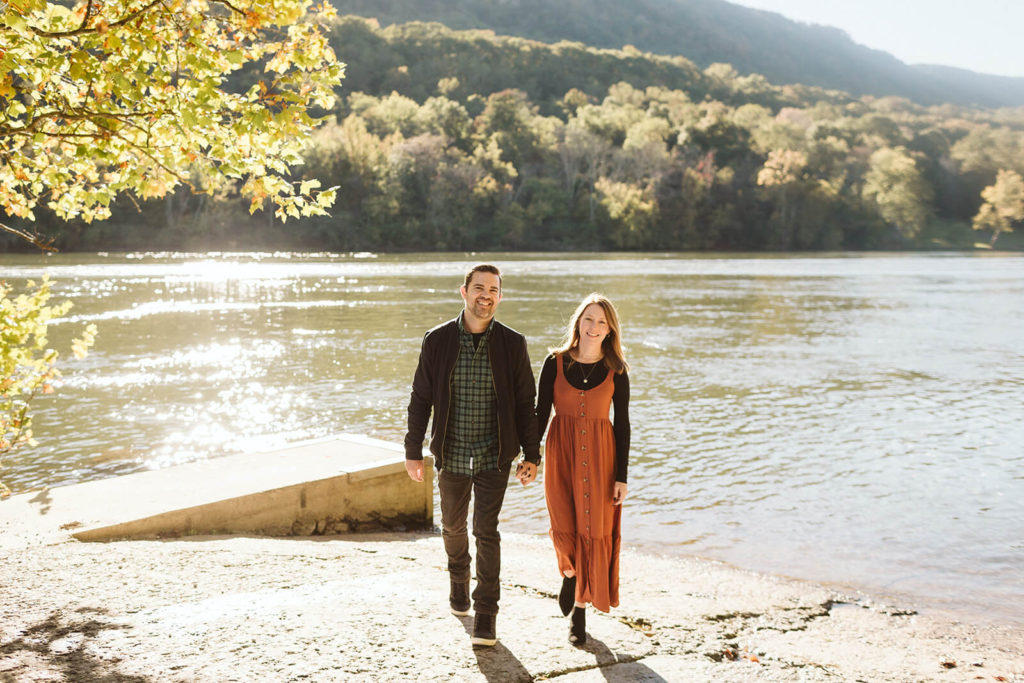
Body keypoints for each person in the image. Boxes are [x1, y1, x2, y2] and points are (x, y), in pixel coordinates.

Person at [404, 264, 540, 647]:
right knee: (452, 526)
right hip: (451, 453)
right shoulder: (438, 340)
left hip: (494, 456)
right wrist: (412, 450)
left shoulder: (513, 344)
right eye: (479, 287)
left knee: (486, 530)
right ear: (463, 292)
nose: (486, 295)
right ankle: (458, 578)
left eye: (493, 289)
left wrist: (532, 454)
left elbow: (525, 402)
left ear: (500, 296)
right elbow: (421, 399)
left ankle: (486, 614)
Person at [535, 293, 631, 645]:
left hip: (603, 459)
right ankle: (570, 572)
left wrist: (622, 476)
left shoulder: (616, 370)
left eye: (602, 322)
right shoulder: (554, 362)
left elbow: (623, 425)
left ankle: (579, 615)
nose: (594, 327)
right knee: (563, 523)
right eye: (588, 319)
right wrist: (530, 457)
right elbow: (540, 412)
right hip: (560, 453)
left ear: (610, 330)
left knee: (592, 529)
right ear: (578, 322)